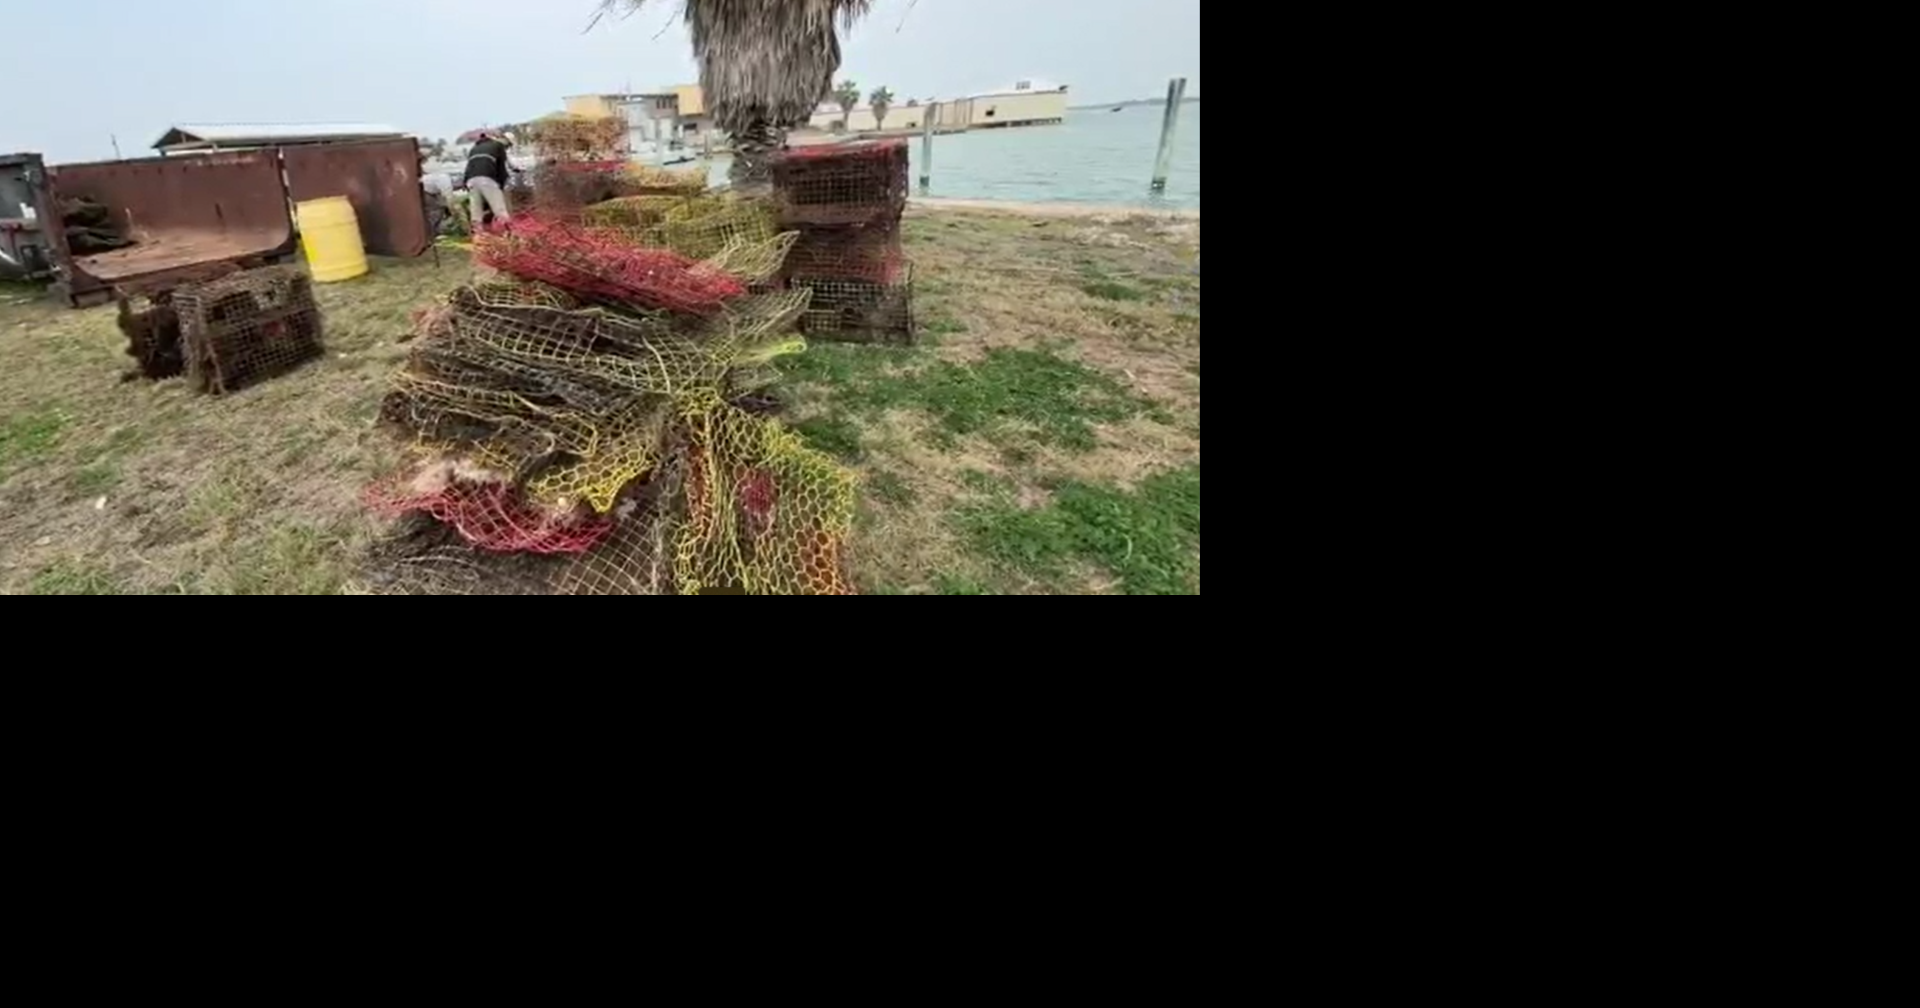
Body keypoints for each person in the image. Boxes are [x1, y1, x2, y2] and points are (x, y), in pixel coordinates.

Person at [464, 130, 514, 230]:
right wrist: (501, 185)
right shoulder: (498, 146)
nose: (507, 148)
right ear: (506, 141)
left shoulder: (474, 148)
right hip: (487, 178)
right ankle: (508, 232)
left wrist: (465, 182)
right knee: (499, 207)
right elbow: (501, 168)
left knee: (476, 210)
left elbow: (469, 167)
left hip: (471, 180)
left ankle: (478, 233)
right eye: (508, 146)